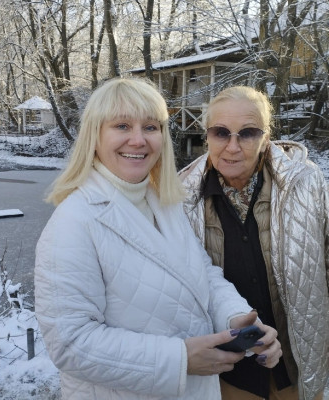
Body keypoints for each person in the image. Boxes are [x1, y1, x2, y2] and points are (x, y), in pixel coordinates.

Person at [34, 78, 281, 399]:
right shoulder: (74, 222)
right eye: (122, 126)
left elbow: (203, 277)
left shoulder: (164, 204)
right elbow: (70, 345)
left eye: (151, 127)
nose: (138, 140)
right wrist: (180, 359)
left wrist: (238, 319)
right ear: (94, 135)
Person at [180, 85, 329, 400]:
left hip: (297, 367)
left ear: (266, 138)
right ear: (207, 136)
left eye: (247, 133)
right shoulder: (182, 198)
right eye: (221, 133)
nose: (232, 147)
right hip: (230, 376)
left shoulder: (305, 184)